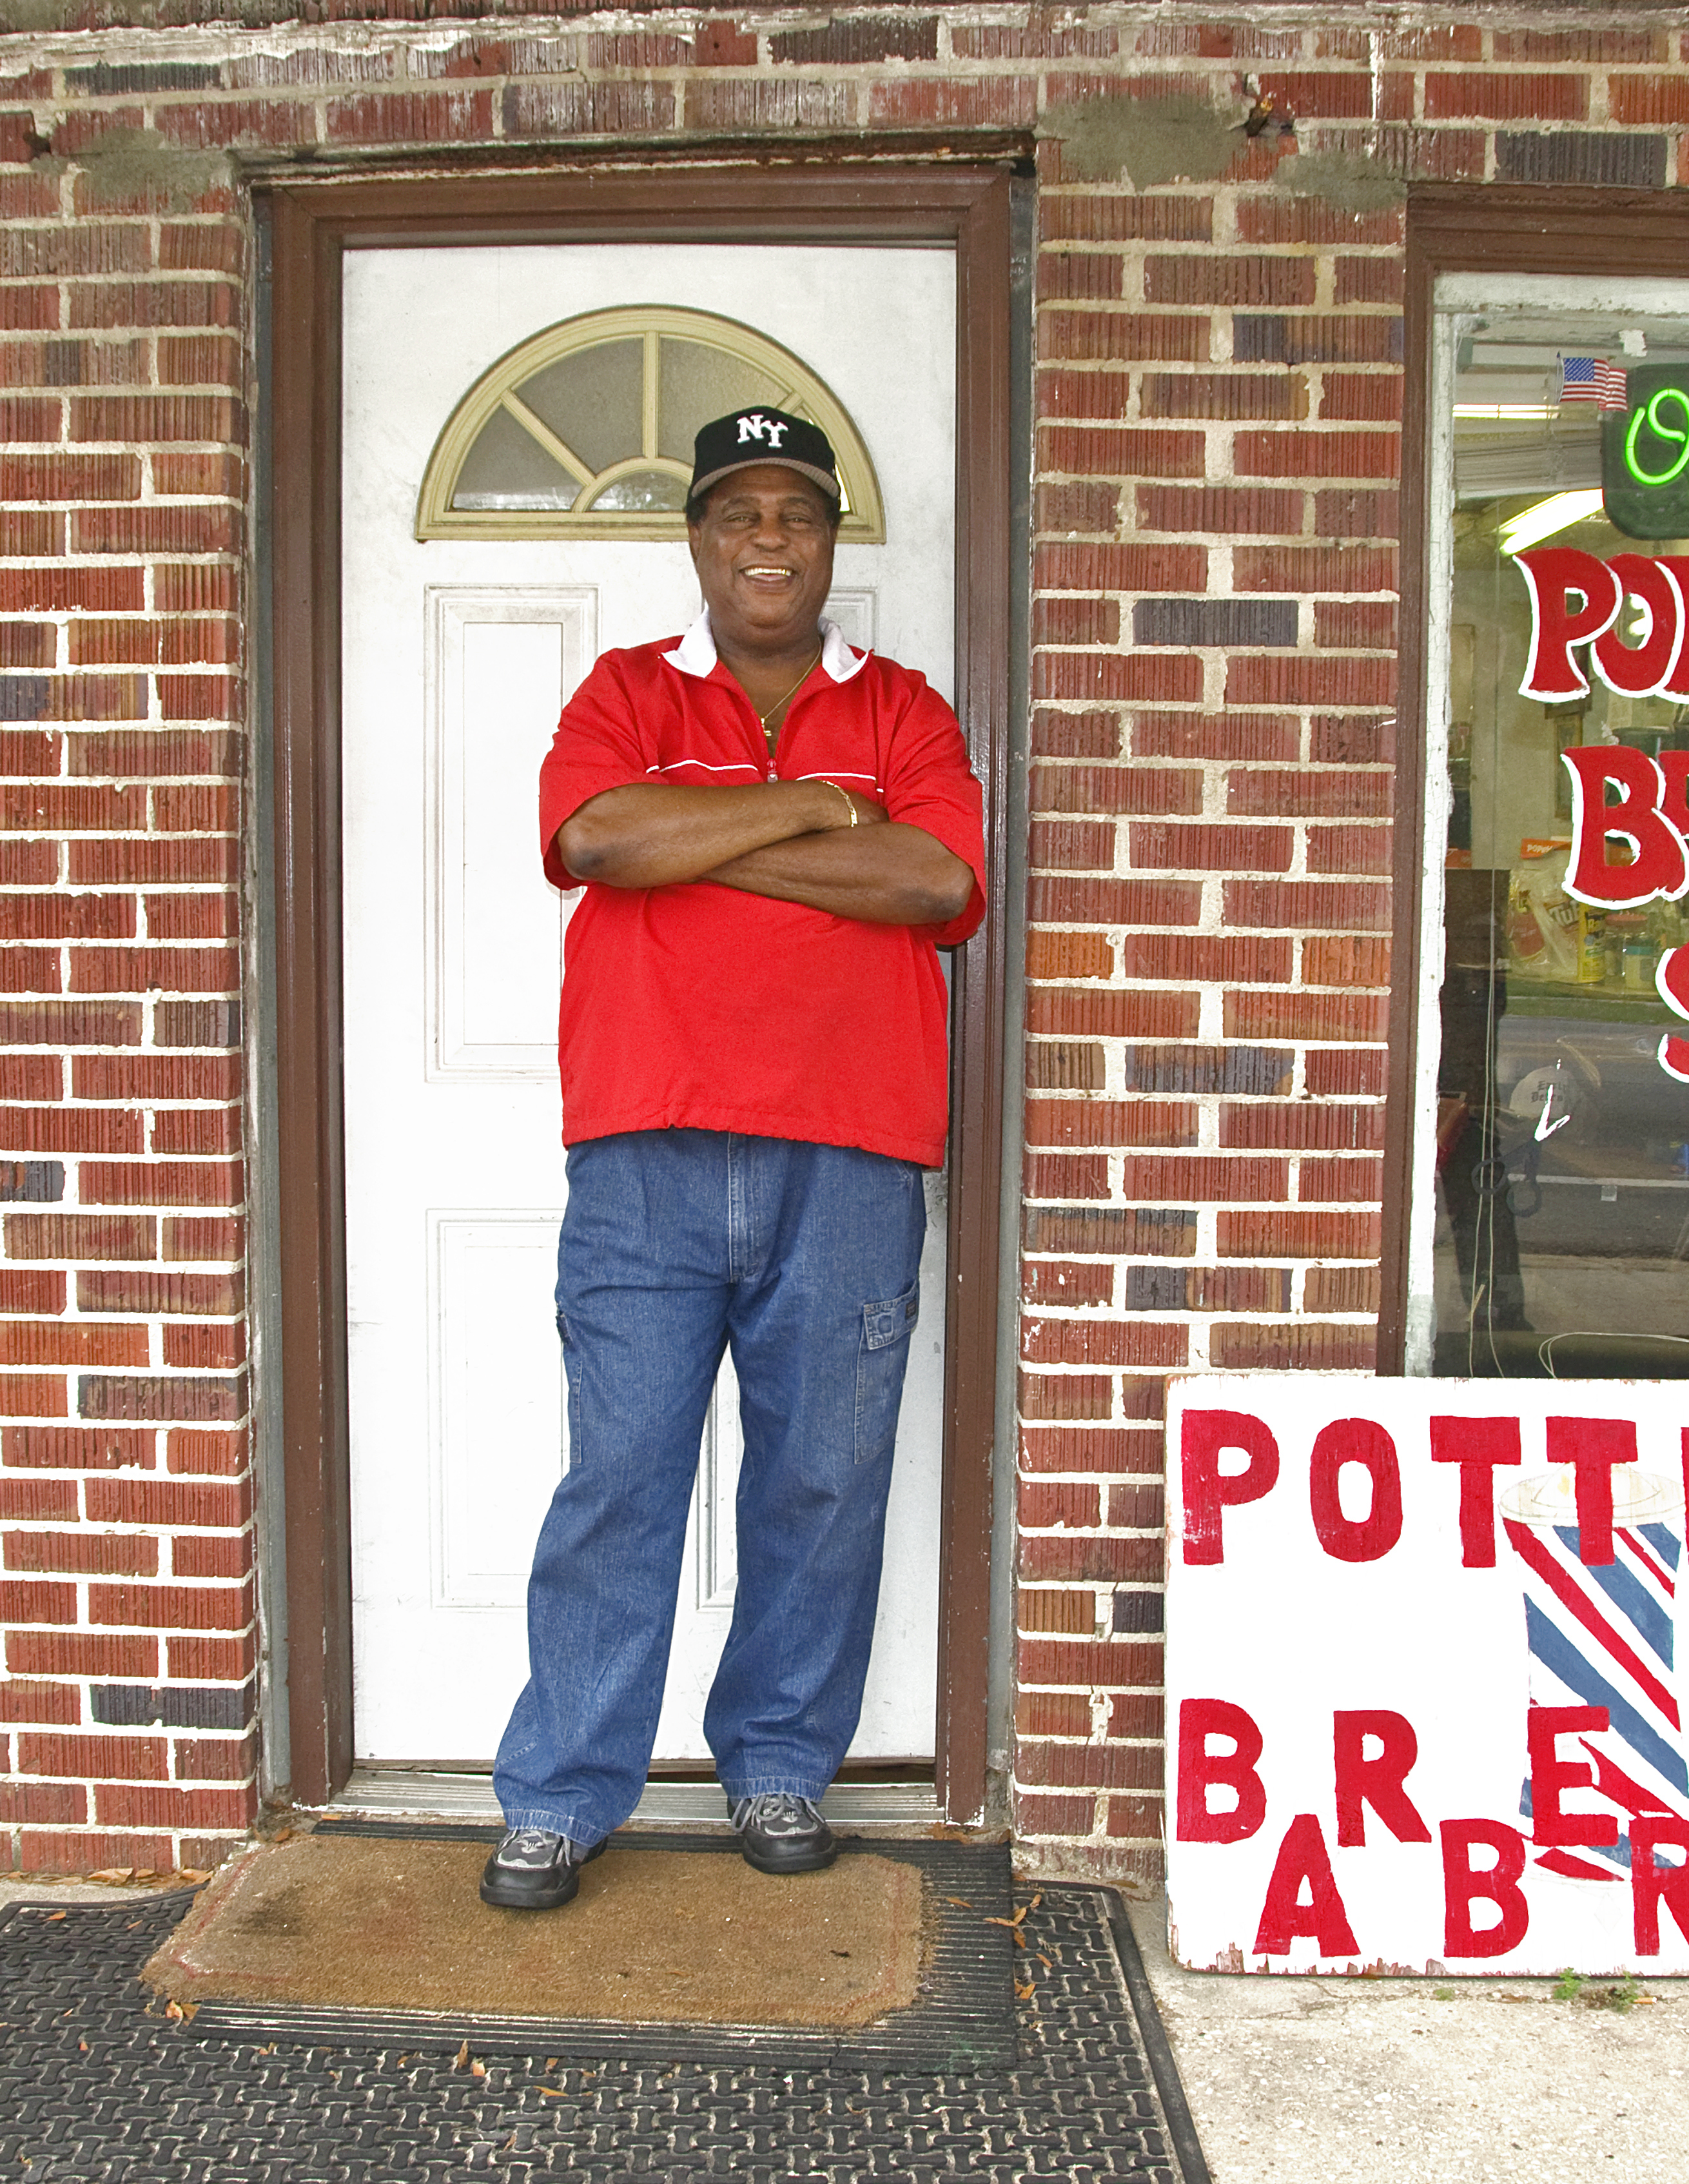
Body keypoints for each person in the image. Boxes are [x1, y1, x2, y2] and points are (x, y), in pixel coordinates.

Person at [481, 406, 988, 1911]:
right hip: (646, 1144)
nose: (769, 536)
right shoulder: (629, 689)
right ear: (700, 539)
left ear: (831, 541)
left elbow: (939, 874)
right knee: (620, 1477)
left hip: (852, 1154)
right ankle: (565, 1789)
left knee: (821, 1481)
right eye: (738, 512)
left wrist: (702, 833)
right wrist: (808, 814)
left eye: (798, 512)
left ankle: (777, 1759)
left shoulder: (902, 709)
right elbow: (593, 837)